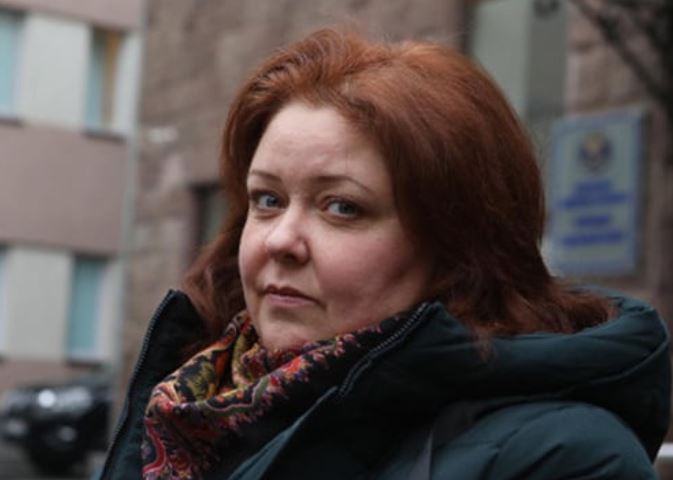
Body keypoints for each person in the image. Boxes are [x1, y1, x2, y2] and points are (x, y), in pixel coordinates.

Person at [100, 29, 670, 480]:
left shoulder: (562, 457)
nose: (281, 240)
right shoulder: (193, 407)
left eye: (342, 207)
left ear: (457, 247)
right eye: (267, 200)